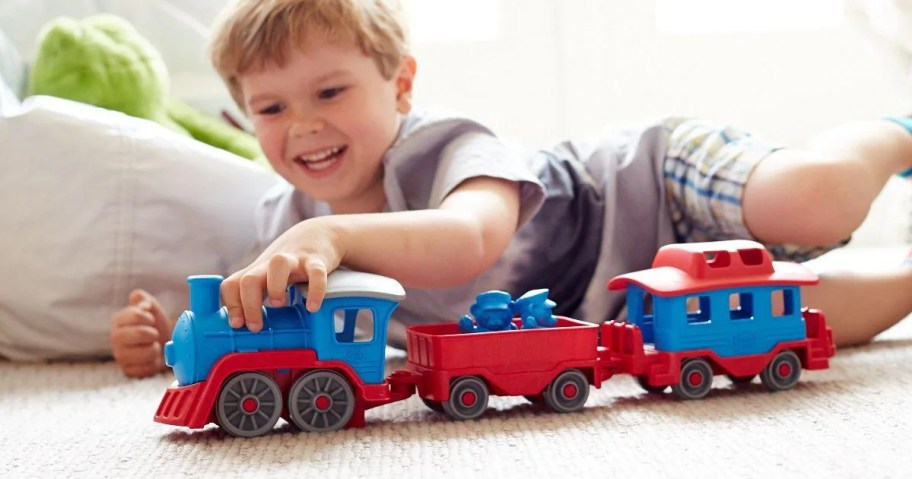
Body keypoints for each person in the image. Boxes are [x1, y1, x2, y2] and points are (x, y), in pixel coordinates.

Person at [110, 0, 912, 378]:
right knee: (792, 324)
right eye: (272, 108)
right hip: (632, 305)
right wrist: (174, 332)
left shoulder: (451, 145)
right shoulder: (288, 220)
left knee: (815, 199)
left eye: (329, 92)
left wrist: (333, 238)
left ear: (400, 85)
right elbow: (274, 316)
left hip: (651, 185)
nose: (304, 126)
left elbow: (470, 241)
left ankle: (897, 130)